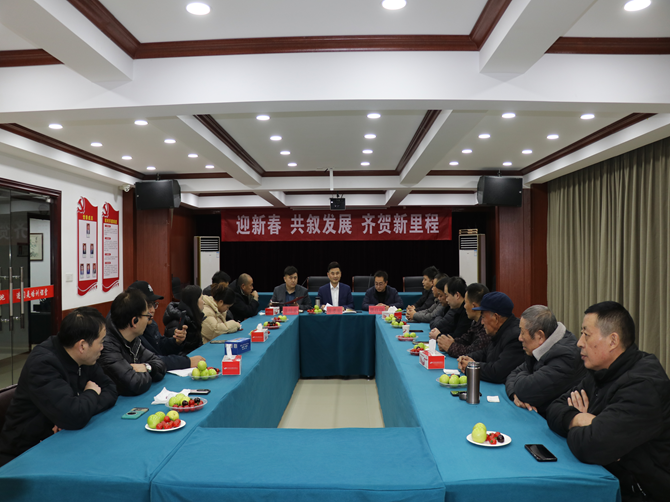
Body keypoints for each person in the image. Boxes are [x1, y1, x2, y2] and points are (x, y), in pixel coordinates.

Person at [546, 301, 670, 501]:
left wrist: (591, 431)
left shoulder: (643, 386)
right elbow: (554, 408)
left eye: (586, 334)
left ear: (613, 341)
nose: (579, 342)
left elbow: (591, 446)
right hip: (608, 476)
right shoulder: (601, 371)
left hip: (641, 492)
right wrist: (580, 419)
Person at [0, 308, 118, 468]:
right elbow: (75, 416)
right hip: (25, 454)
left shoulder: (85, 358)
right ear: (82, 345)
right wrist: (90, 393)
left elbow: (110, 389)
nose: (102, 347)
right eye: (101, 342)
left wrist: (79, 409)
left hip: (62, 439)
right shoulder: (43, 364)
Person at [505, 305, 586, 416]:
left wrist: (520, 387)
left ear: (540, 336)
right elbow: (513, 374)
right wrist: (514, 394)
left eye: (523, 332)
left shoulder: (566, 357)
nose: (519, 338)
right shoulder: (543, 346)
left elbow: (524, 391)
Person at [99, 289, 166, 396]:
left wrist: (146, 367)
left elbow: (160, 364)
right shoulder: (107, 346)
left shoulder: (133, 340)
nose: (149, 318)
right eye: (146, 315)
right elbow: (134, 384)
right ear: (134, 321)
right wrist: (149, 371)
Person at [128, 281, 204, 370]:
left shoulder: (151, 324)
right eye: (148, 305)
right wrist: (187, 362)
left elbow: (160, 345)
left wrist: (176, 342)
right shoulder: (130, 333)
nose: (152, 310)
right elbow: (151, 360)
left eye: (153, 304)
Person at [457, 291, 524, 384]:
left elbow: (498, 372)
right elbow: (486, 353)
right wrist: (467, 358)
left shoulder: (515, 338)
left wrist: (472, 366)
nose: (482, 322)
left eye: (483, 317)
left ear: (496, 317)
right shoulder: (500, 330)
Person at [437, 282, 490, 358]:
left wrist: (450, 347)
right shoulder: (475, 322)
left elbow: (473, 351)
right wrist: (452, 342)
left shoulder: (487, 325)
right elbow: (466, 339)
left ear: (474, 306)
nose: (464, 306)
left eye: (465, 303)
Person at [162, 285, 205, 354]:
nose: (204, 302)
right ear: (194, 301)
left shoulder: (193, 319)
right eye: (201, 299)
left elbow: (198, 345)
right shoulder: (176, 322)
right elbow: (174, 352)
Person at [430, 276, 471, 341]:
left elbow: (458, 337)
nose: (446, 299)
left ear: (457, 295)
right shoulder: (458, 309)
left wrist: (438, 336)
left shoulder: (466, 312)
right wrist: (438, 332)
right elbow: (450, 329)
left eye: (447, 296)